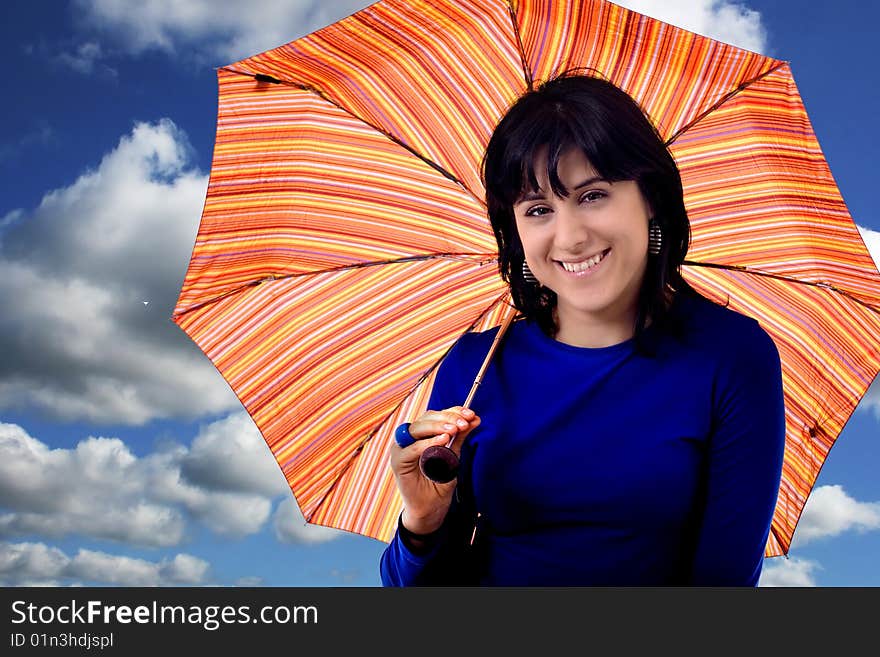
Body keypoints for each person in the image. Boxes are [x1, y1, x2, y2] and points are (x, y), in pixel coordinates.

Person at [379, 73, 786, 586]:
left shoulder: (730, 355)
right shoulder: (475, 365)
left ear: (651, 198)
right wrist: (422, 522)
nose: (570, 238)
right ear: (515, 230)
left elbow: (723, 584)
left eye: (592, 196)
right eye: (539, 210)